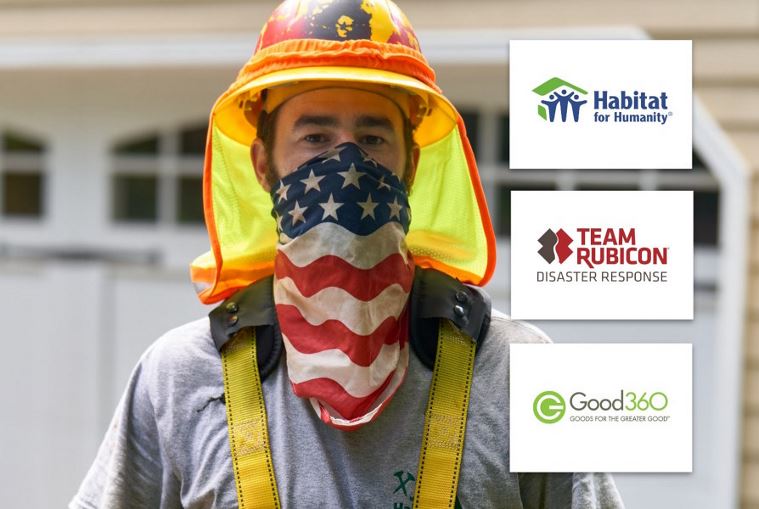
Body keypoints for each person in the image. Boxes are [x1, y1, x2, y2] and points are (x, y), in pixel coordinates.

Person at [70, 1, 624, 507]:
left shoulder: (519, 372)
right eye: (314, 138)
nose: (348, 165)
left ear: (411, 165)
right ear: (263, 165)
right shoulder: (181, 377)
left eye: (373, 137)